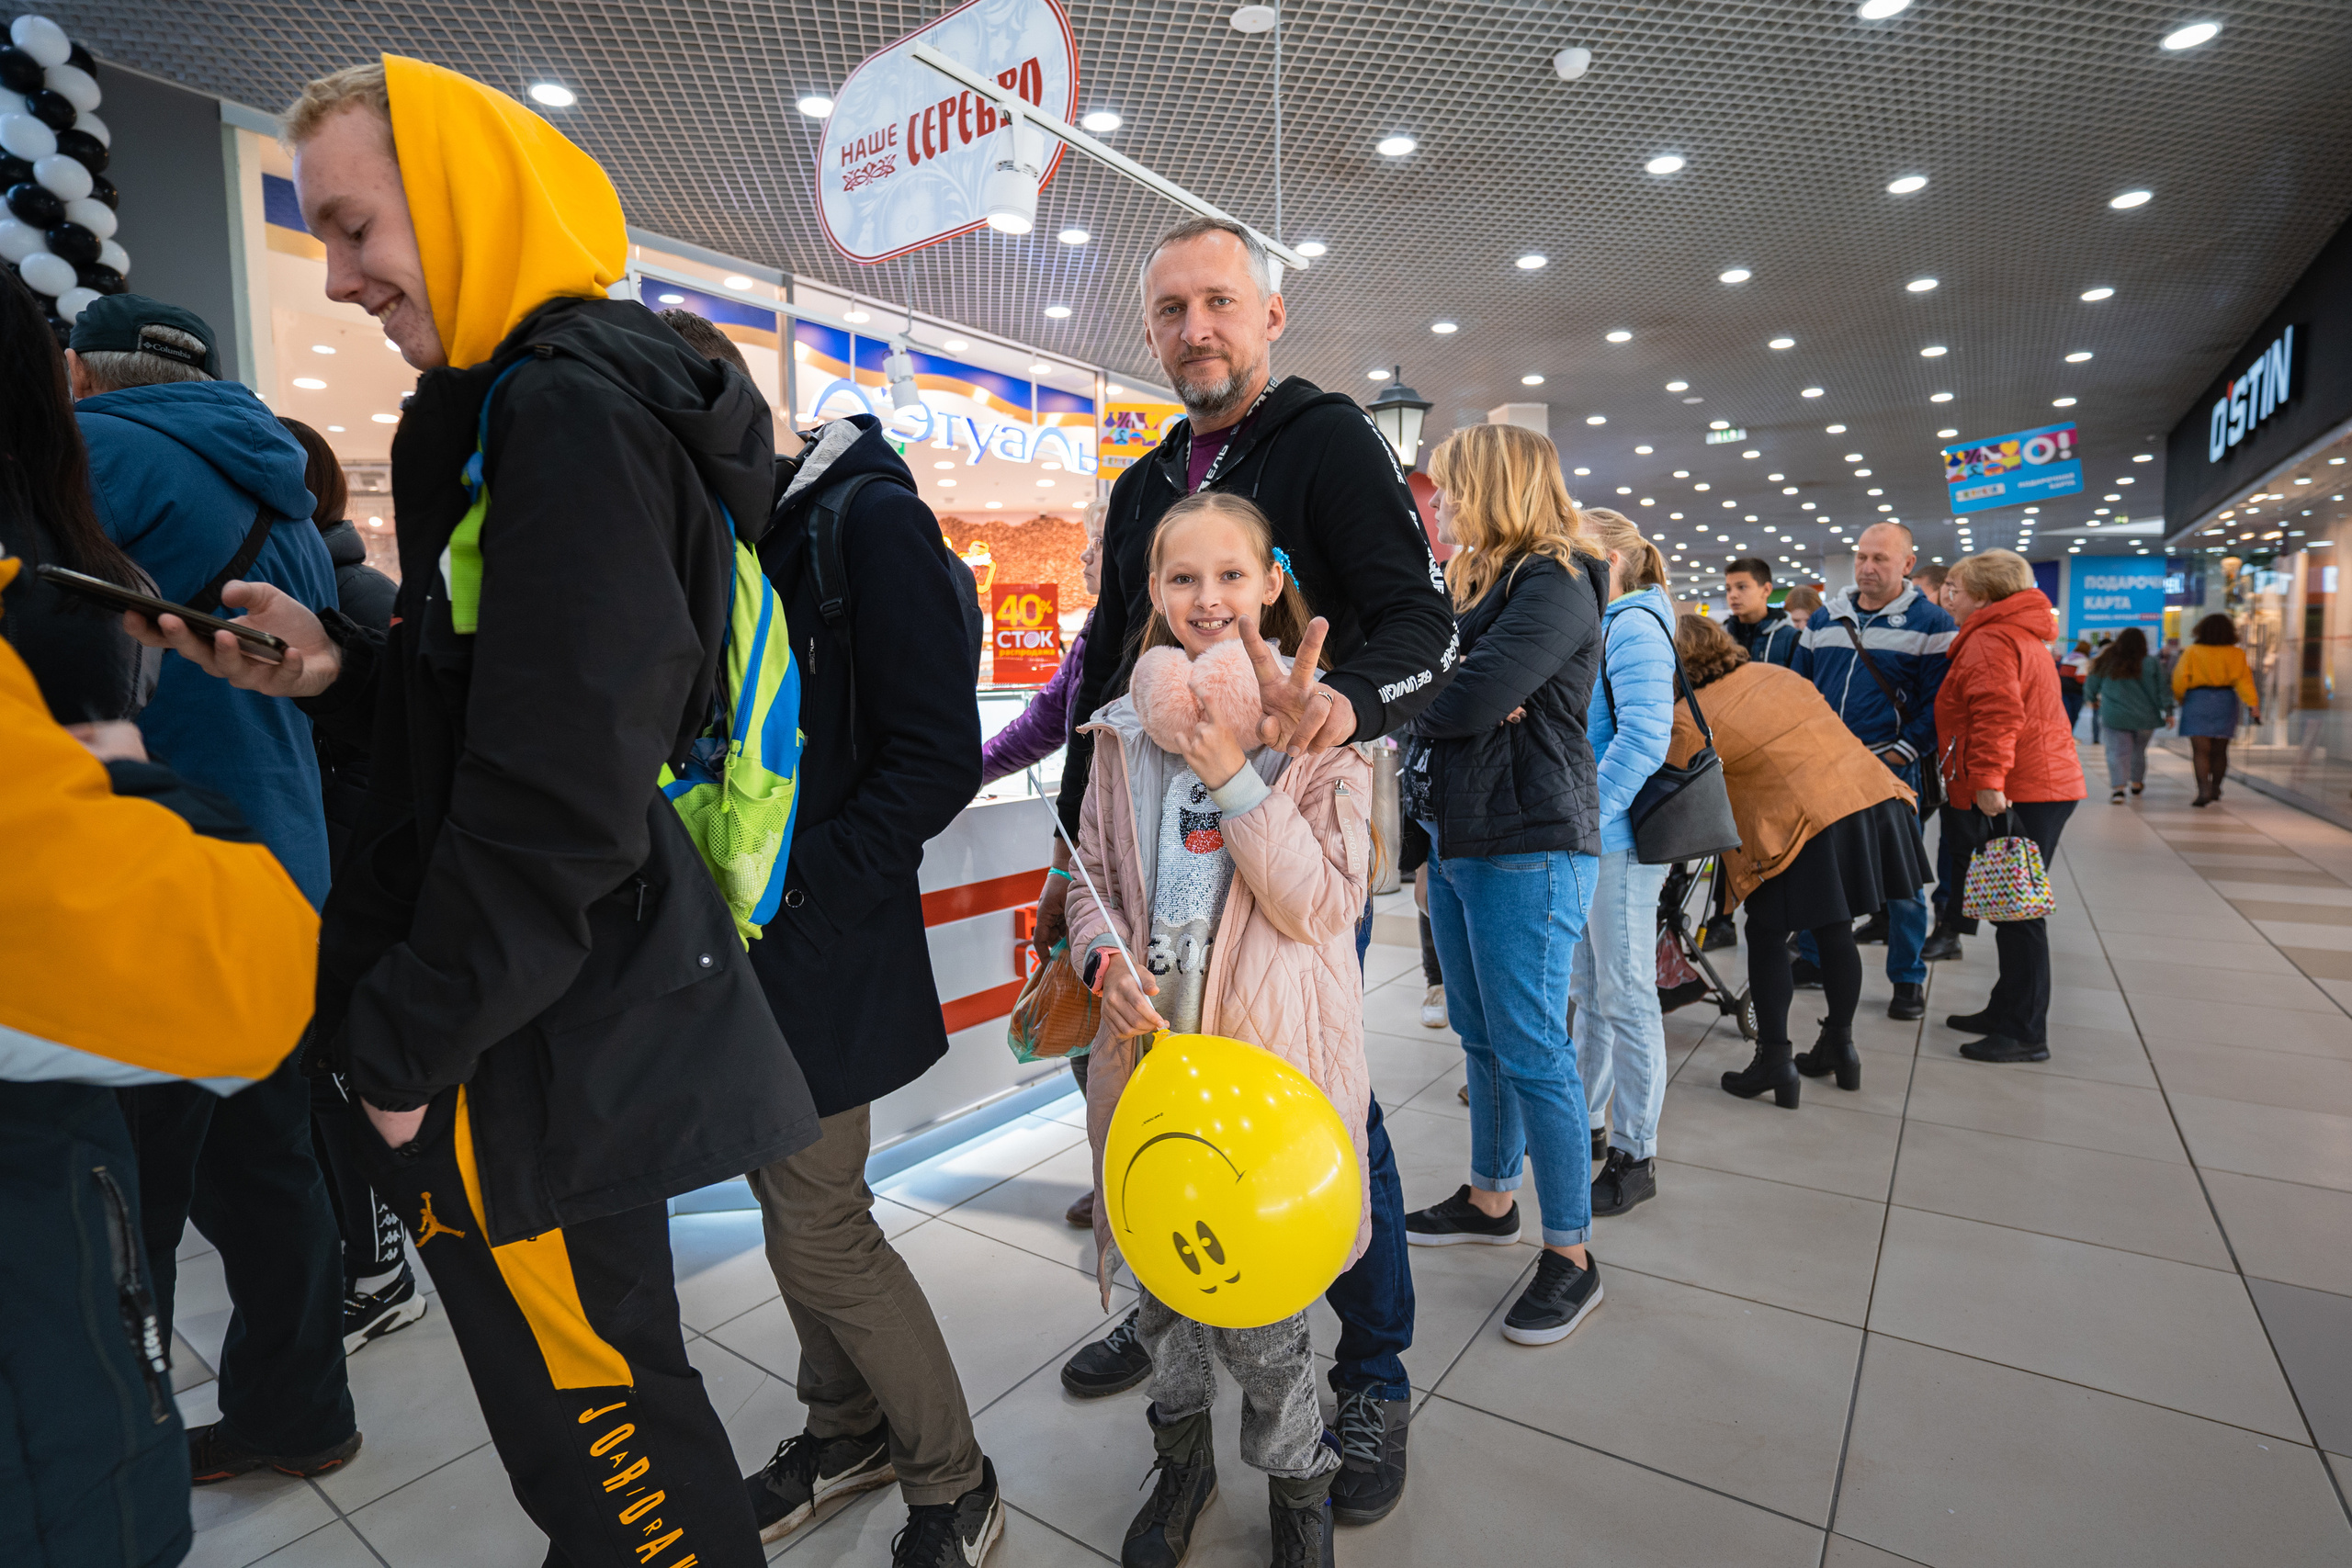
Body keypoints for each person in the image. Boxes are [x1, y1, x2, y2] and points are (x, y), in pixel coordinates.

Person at [139, 60, 827, 1567]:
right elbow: (513, 722)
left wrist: (399, 1053)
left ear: (460, 201)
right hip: (536, 1020)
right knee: (601, 1409)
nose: (335, 280)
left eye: (354, 227)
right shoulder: (531, 401)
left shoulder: (562, 411)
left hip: (518, 1045)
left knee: (604, 1440)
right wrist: (334, 670)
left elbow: (560, 795)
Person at [1052, 216, 1454, 1523]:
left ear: (1270, 315)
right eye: (1170, 310)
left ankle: (1373, 1370)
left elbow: (1421, 627)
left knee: (1330, 1113)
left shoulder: (1325, 439)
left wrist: (1342, 711)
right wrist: (1077, 848)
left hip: (1281, 843)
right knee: (1153, 1098)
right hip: (1144, 864)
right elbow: (1107, 666)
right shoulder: (1143, 483)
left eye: (1219, 302)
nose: (1194, 331)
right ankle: (1177, 1286)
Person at [69, 291, 362, 1483]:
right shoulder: (282, 488)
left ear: (86, 372)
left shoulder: (90, 458)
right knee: (269, 1165)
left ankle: (100, 1458)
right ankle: (302, 1415)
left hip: (157, 867)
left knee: (116, 1184)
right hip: (281, 864)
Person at [1064, 491, 1368, 1568]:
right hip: (1149, 1067)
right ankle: (1181, 1463)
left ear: (1271, 582)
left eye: (1230, 577)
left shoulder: (1324, 729)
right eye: (1182, 579)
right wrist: (1102, 962)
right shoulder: (1118, 735)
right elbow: (1088, 878)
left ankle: (1299, 1488)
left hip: (1263, 1077)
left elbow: (1322, 906)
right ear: (1150, 593)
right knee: (1162, 1304)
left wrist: (1239, 775)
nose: (1206, 599)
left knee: (1267, 1324)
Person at [2, 564, 322, 1568]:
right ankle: (302, 1411)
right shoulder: (76, 554)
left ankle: (291, 1410)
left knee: (190, 1195)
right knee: (267, 1180)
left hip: (156, 934)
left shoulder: (79, 530)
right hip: (212, 893)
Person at [732, 400, 1003, 1557]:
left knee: (820, 1221)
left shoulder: (868, 522)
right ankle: (844, 1429)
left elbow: (935, 750)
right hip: (756, 946)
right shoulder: (765, 536)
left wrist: (805, 895)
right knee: (792, 1209)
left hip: (821, 942)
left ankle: (953, 1475)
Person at [1399, 422, 1609, 1347]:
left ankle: (1572, 1254)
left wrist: (1452, 690)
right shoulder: (1478, 581)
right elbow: (1439, 693)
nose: (1437, 503)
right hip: (1459, 830)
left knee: (1531, 1047)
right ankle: (1492, 1198)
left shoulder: (1557, 577)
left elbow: (1460, 700)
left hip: (1528, 839)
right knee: (1481, 1034)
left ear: (1491, 484)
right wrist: (1451, 691)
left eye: (1448, 487)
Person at [276, 413, 424, 1356]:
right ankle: (374, 1263)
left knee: (341, 1078)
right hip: (335, 866)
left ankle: (382, 1271)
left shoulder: (355, 593)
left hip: (350, 873)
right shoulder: (328, 587)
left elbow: (393, 758)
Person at [1667, 615, 1927, 1103]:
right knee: (1834, 930)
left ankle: (1774, 1060)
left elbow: (1676, 795)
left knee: (1765, 935)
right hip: (1872, 801)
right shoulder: (1780, 675)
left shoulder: (1689, 716)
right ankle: (1840, 1047)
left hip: (1805, 824)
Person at [1791, 522, 1953, 1021]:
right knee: (1825, 869)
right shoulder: (1825, 619)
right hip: (1826, 767)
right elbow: (1799, 687)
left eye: (1881, 558)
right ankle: (1816, 958)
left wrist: (1902, 752)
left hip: (1891, 768)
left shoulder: (1932, 625)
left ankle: (1907, 979)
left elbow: (1939, 705)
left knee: (1901, 879)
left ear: (1907, 564)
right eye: (1862, 557)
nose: (1867, 567)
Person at [1936, 551, 2086, 1064]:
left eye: (1954, 588)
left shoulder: (1990, 638)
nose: (1948, 598)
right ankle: (2006, 1009)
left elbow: (1998, 714)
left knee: (2019, 912)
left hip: (2023, 787)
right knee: (2010, 906)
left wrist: (1988, 781)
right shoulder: (2016, 633)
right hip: (2037, 783)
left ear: (1981, 595)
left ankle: (2025, 1031)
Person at [1572, 508, 1677, 1218]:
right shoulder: (1609, 620)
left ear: (1609, 558)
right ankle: (1586, 1121)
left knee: (1627, 991)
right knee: (1593, 986)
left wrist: (1590, 813)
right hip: (1596, 834)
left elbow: (1644, 737)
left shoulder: (1635, 624)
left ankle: (1636, 1152)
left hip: (1620, 839)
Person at [2174, 614, 2259, 807]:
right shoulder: (2236, 654)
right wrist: (2253, 704)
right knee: (2220, 750)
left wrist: (2180, 698)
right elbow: (2244, 681)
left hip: (2197, 699)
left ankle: (2203, 789)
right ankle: (2216, 787)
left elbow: (2180, 679)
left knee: (2200, 751)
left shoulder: (2192, 651)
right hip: (2225, 700)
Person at [2086, 627, 2170, 803]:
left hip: (2115, 715)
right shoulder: (2150, 662)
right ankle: (2137, 783)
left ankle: (2118, 789)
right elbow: (2162, 688)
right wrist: (2168, 711)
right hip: (2145, 716)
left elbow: (2091, 683)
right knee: (2139, 752)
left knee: (2117, 752)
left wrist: (2091, 699)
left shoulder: (2107, 660)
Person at [1722, 556, 1799, 666]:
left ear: (1766, 590)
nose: (1732, 595)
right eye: (1728, 589)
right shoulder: (1719, 639)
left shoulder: (1791, 638)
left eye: (1742, 587)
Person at [2057, 639, 2091, 730]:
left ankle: (2064, 733)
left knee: (2066, 714)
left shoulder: (2067, 658)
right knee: (2074, 714)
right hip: (2077, 691)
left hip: (2063, 689)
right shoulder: (2084, 661)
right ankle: (2069, 733)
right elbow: (2081, 679)